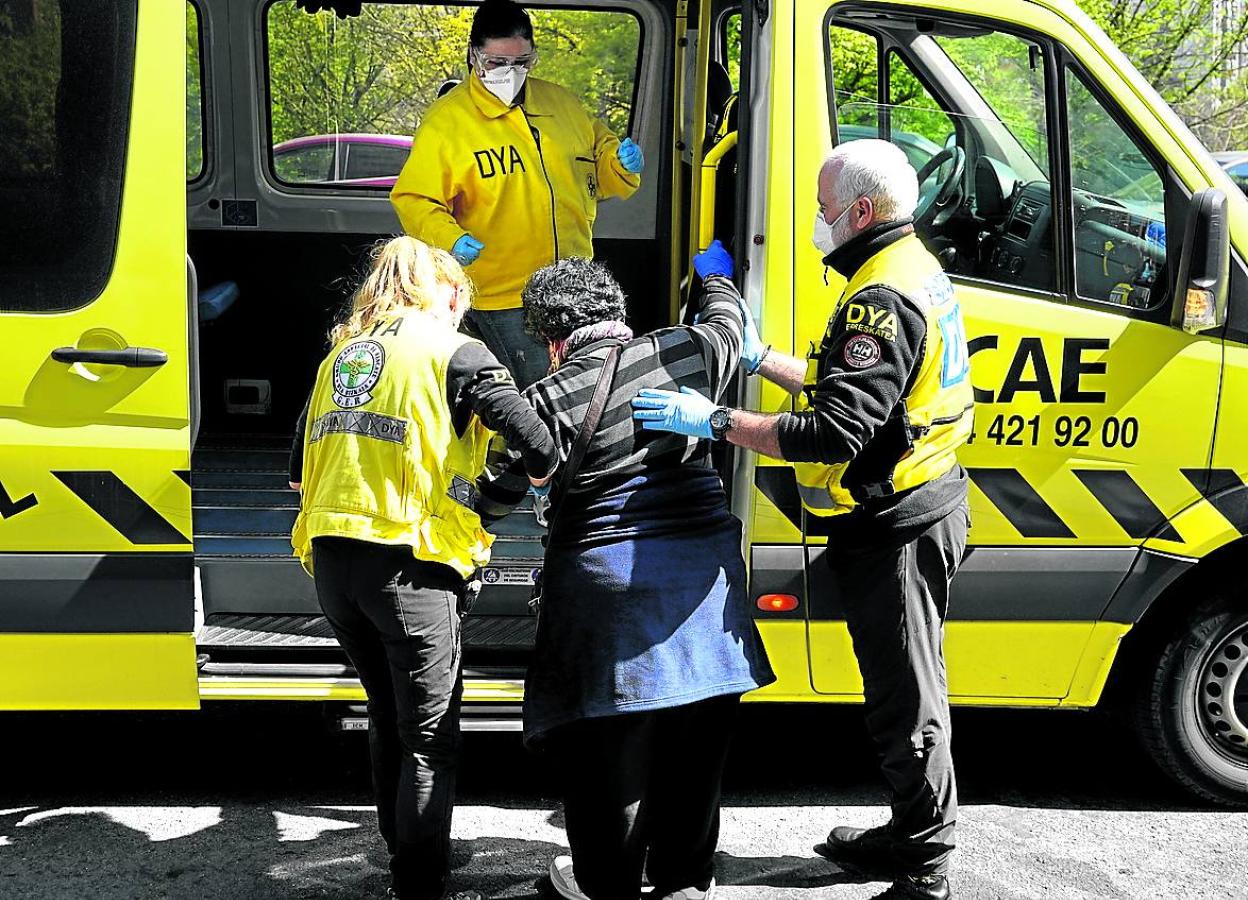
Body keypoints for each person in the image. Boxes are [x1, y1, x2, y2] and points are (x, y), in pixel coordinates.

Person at [632, 139, 974, 900]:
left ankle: (925, 867)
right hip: (915, 505)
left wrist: (715, 421)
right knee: (902, 689)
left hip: (897, 524)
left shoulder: (880, 299)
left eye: (824, 209)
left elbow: (832, 431)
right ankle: (909, 834)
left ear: (861, 211)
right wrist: (762, 359)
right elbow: (847, 386)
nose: (818, 221)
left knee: (907, 700)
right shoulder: (908, 266)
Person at [476, 252, 775, 900]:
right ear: (616, 311)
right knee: (695, 760)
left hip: (606, 605)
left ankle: (608, 886)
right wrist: (714, 277)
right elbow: (729, 323)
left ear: (552, 339)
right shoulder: (689, 350)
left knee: (609, 768)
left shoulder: (545, 399)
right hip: (704, 599)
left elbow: (493, 497)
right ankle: (684, 883)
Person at [289, 235, 558, 900]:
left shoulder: (341, 357)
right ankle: (419, 879)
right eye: (461, 295)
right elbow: (537, 443)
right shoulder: (455, 351)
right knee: (430, 736)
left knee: (386, 714)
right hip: (412, 564)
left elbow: (297, 470)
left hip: (333, 563)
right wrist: (500, 499)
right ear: (447, 291)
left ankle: (402, 850)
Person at [391, 0, 644, 389]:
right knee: (538, 395)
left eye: (522, 62)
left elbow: (600, 168)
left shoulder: (564, 106)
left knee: (588, 390)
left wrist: (621, 165)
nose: (510, 72)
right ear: (474, 56)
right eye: (496, 62)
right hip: (505, 296)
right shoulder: (448, 122)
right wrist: (450, 239)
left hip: (574, 286)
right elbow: (415, 198)